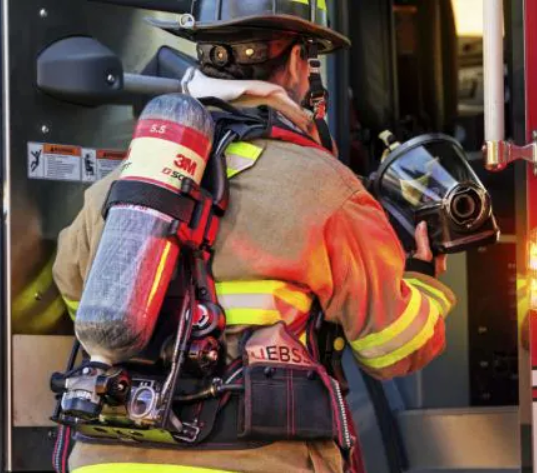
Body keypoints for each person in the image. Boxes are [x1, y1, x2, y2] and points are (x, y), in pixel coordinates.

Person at [52, 1, 456, 472]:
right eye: (309, 58)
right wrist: (424, 279)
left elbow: (77, 293)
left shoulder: (119, 186)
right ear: (296, 62)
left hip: (104, 460)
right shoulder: (327, 189)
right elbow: (394, 351)